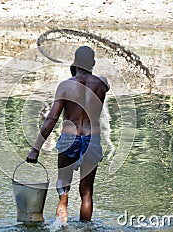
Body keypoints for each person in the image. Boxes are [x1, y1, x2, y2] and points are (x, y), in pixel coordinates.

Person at [26, 46, 110, 223]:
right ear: (93, 63)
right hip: (92, 140)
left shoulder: (65, 86)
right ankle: (86, 228)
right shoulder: (101, 85)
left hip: (69, 139)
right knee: (87, 193)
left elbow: (51, 119)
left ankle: (63, 207)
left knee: (63, 183)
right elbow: (103, 82)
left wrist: (36, 148)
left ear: (75, 62)